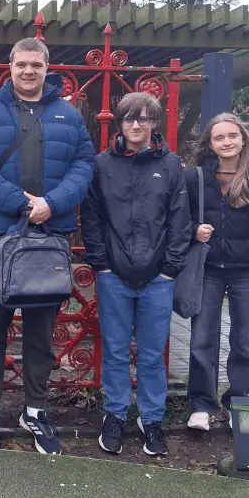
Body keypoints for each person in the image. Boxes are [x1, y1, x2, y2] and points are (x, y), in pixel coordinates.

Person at [0, 37, 96, 455]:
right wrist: (20, 203)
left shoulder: (68, 116)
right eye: (21, 64)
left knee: (40, 331)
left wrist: (51, 205)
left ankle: (35, 409)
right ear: (10, 66)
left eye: (36, 64)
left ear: (46, 67)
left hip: (49, 237)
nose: (28, 71)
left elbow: (84, 164)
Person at [81, 92, 191, 457]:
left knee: (151, 354)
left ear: (154, 123)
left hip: (157, 277)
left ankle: (152, 419)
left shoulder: (171, 164)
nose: (137, 124)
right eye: (130, 118)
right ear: (120, 122)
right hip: (113, 274)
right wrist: (101, 263)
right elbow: (92, 217)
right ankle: (114, 415)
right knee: (113, 351)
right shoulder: (102, 164)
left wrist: (170, 268)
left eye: (145, 118)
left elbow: (180, 219)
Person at [185, 113, 249, 431]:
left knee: (246, 342)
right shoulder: (196, 179)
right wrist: (193, 231)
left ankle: (238, 401)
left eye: (232, 136)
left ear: (243, 138)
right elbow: (176, 218)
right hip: (208, 270)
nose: (227, 142)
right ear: (210, 143)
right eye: (219, 137)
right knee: (202, 340)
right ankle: (201, 405)